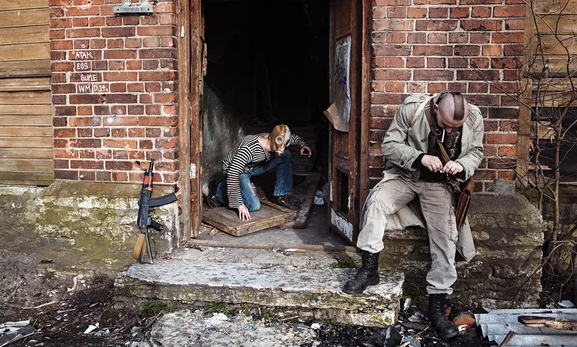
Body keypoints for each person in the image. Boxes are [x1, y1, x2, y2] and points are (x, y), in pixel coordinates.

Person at [342, 90, 484, 340]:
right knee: (376, 202)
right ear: (436, 108)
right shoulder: (413, 109)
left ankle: (437, 307)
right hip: (406, 177)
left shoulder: (473, 117)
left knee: (446, 235)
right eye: (446, 126)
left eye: (456, 128)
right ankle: (369, 269)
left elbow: (475, 151)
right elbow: (390, 146)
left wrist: (462, 165)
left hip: (439, 186)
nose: (451, 132)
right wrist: (420, 157)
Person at [206, 124, 312, 221]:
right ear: (271, 137)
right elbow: (233, 172)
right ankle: (218, 189)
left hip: (252, 167)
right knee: (253, 205)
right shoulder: (249, 149)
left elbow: (292, 138)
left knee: (285, 155)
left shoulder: (274, 138)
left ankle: (279, 195)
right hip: (238, 172)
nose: (283, 146)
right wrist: (239, 204)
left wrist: (303, 145)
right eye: (280, 142)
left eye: (285, 143)